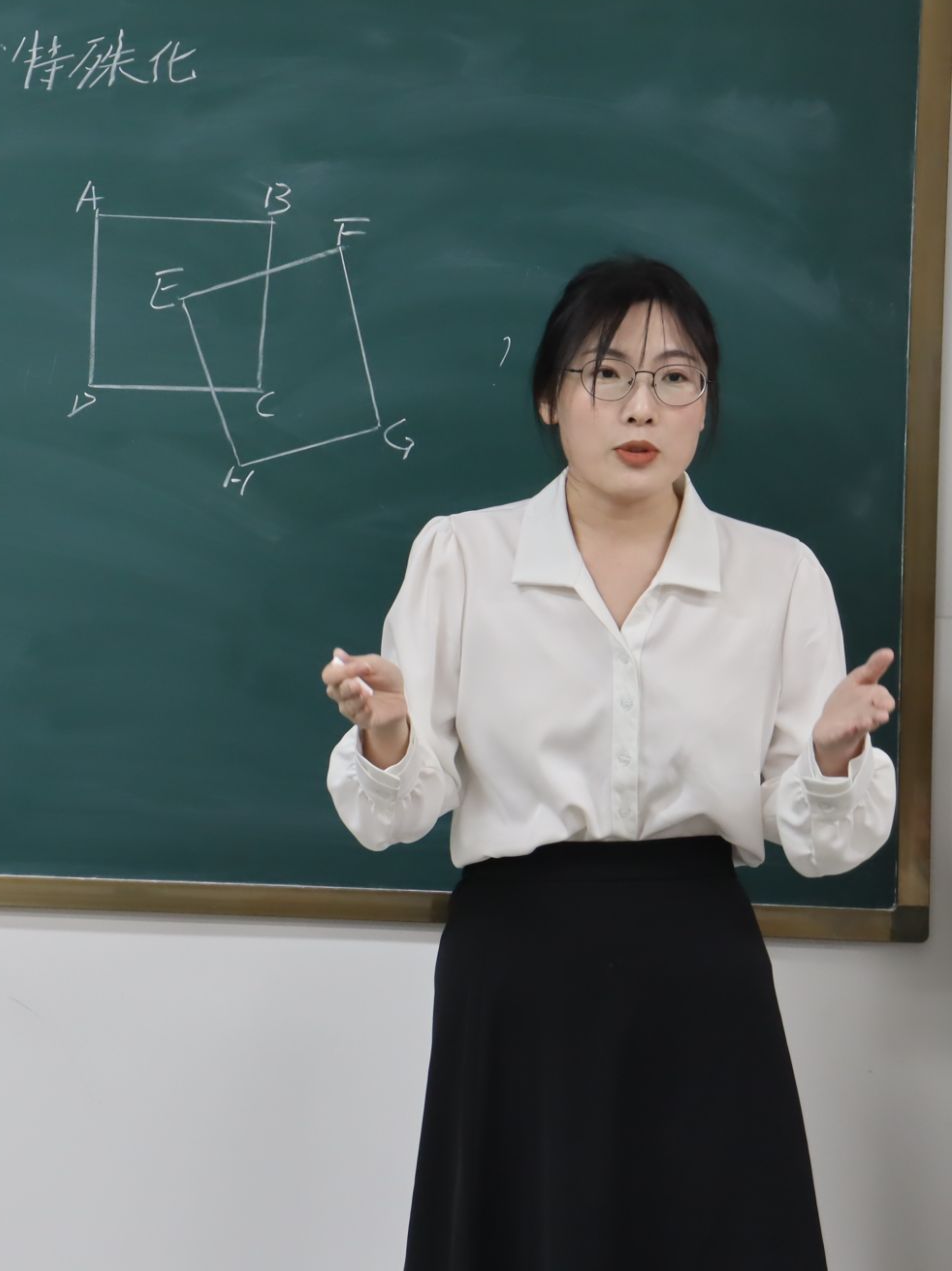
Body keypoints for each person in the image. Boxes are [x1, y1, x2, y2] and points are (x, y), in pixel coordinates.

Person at [321, 255, 897, 1271]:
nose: (642, 407)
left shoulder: (777, 574)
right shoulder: (462, 557)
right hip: (517, 966)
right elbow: (394, 813)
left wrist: (828, 762)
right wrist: (389, 736)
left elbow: (817, 843)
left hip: (698, 964)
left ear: (705, 402)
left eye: (675, 378)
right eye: (607, 374)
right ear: (550, 396)